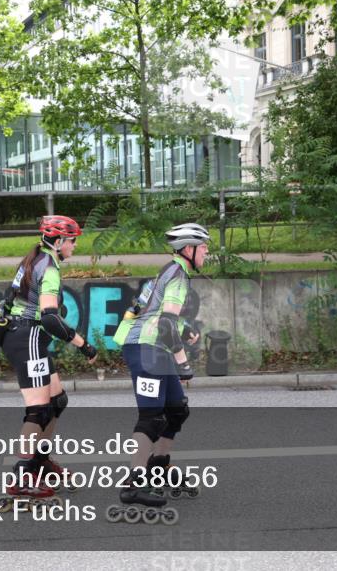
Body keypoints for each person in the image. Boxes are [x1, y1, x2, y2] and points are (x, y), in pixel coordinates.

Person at [107, 223, 209, 523]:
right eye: (204, 248)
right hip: (145, 349)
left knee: (176, 410)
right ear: (188, 249)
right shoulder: (177, 276)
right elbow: (163, 324)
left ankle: (158, 467)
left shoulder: (170, 270)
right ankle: (133, 486)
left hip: (154, 348)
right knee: (151, 417)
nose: (207, 253)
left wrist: (184, 329)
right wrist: (183, 363)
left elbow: (151, 309)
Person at [0, 215, 96, 510]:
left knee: (57, 401)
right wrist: (83, 345)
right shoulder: (48, 267)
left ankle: (39, 462)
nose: (75, 246)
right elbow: (50, 318)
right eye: (72, 241)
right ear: (59, 241)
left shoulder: (36, 257)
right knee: (38, 410)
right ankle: (22, 477)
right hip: (27, 337)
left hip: (26, 336)